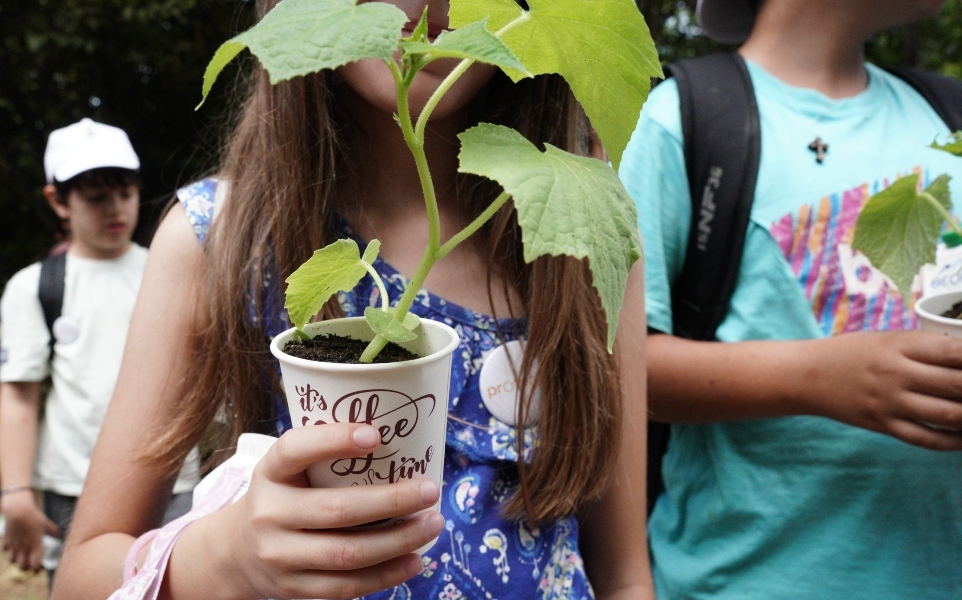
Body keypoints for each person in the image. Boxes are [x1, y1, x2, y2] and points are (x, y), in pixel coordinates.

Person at [50, 0, 653, 598]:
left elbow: (623, 576)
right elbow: (80, 578)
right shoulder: (219, 238)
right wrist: (220, 558)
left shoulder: (584, 234)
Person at [619, 0, 962, 598]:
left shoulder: (947, 118)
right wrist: (817, 377)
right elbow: (612, 369)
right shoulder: (682, 121)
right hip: (745, 581)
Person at [0, 118, 199, 583]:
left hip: (172, 481)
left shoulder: (171, 270)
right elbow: (19, 397)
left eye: (125, 192)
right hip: (75, 487)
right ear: (57, 201)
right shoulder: (35, 288)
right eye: (95, 197)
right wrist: (15, 494)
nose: (115, 208)